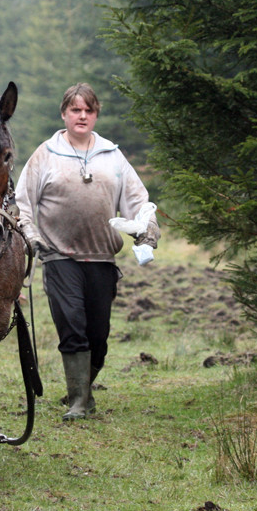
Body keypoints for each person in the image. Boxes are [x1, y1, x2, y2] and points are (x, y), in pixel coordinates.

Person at [15, 83, 159, 420]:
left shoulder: (113, 155)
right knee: (73, 326)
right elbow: (21, 204)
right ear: (63, 113)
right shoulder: (45, 154)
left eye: (89, 110)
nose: (82, 116)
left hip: (102, 258)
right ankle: (79, 401)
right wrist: (31, 236)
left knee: (99, 335)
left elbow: (138, 202)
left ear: (95, 115)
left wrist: (147, 228)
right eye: (75, 110)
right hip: (59, 256)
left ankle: (83, 389)